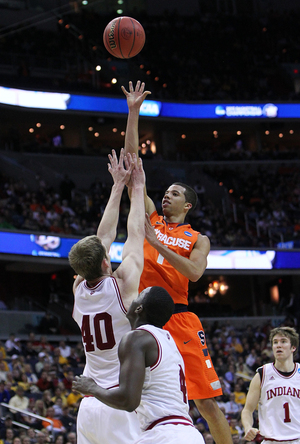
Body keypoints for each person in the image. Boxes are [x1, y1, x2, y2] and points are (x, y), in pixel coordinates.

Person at [122, 80, 232, 444]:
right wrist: (133, 112)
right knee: (134, 401)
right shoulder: (150, 217)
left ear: (187, 205)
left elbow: (196, 272)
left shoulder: (196, 238)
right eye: (164, 192)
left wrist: (159, 246)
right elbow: (133, 165)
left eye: (174, 194)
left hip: (179, 317)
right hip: (141, 315)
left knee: (206, 404)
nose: (165, 196)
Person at [68, 149, 145, 444]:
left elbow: (102, 239)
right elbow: (135, 233)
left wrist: (116, 187)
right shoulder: (122, 285)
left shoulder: (77, 290)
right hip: (118, 399)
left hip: (88, 403)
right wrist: (135, 188)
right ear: (104, 262)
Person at [73, 286, 205, 444]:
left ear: (139, 308)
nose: (134, 298)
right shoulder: (168, 341)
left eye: (138, 296)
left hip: (164, 434)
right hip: (189, 434)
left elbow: (128, 401)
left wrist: (92, 388)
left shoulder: (136, 338)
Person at [241, 326, 300, 442]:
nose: (278, 345)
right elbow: (247, 410)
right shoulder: (262, 374)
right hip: (271, 440)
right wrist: (248, 427)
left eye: (283, 341)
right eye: (275, 342)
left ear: (293, 347)